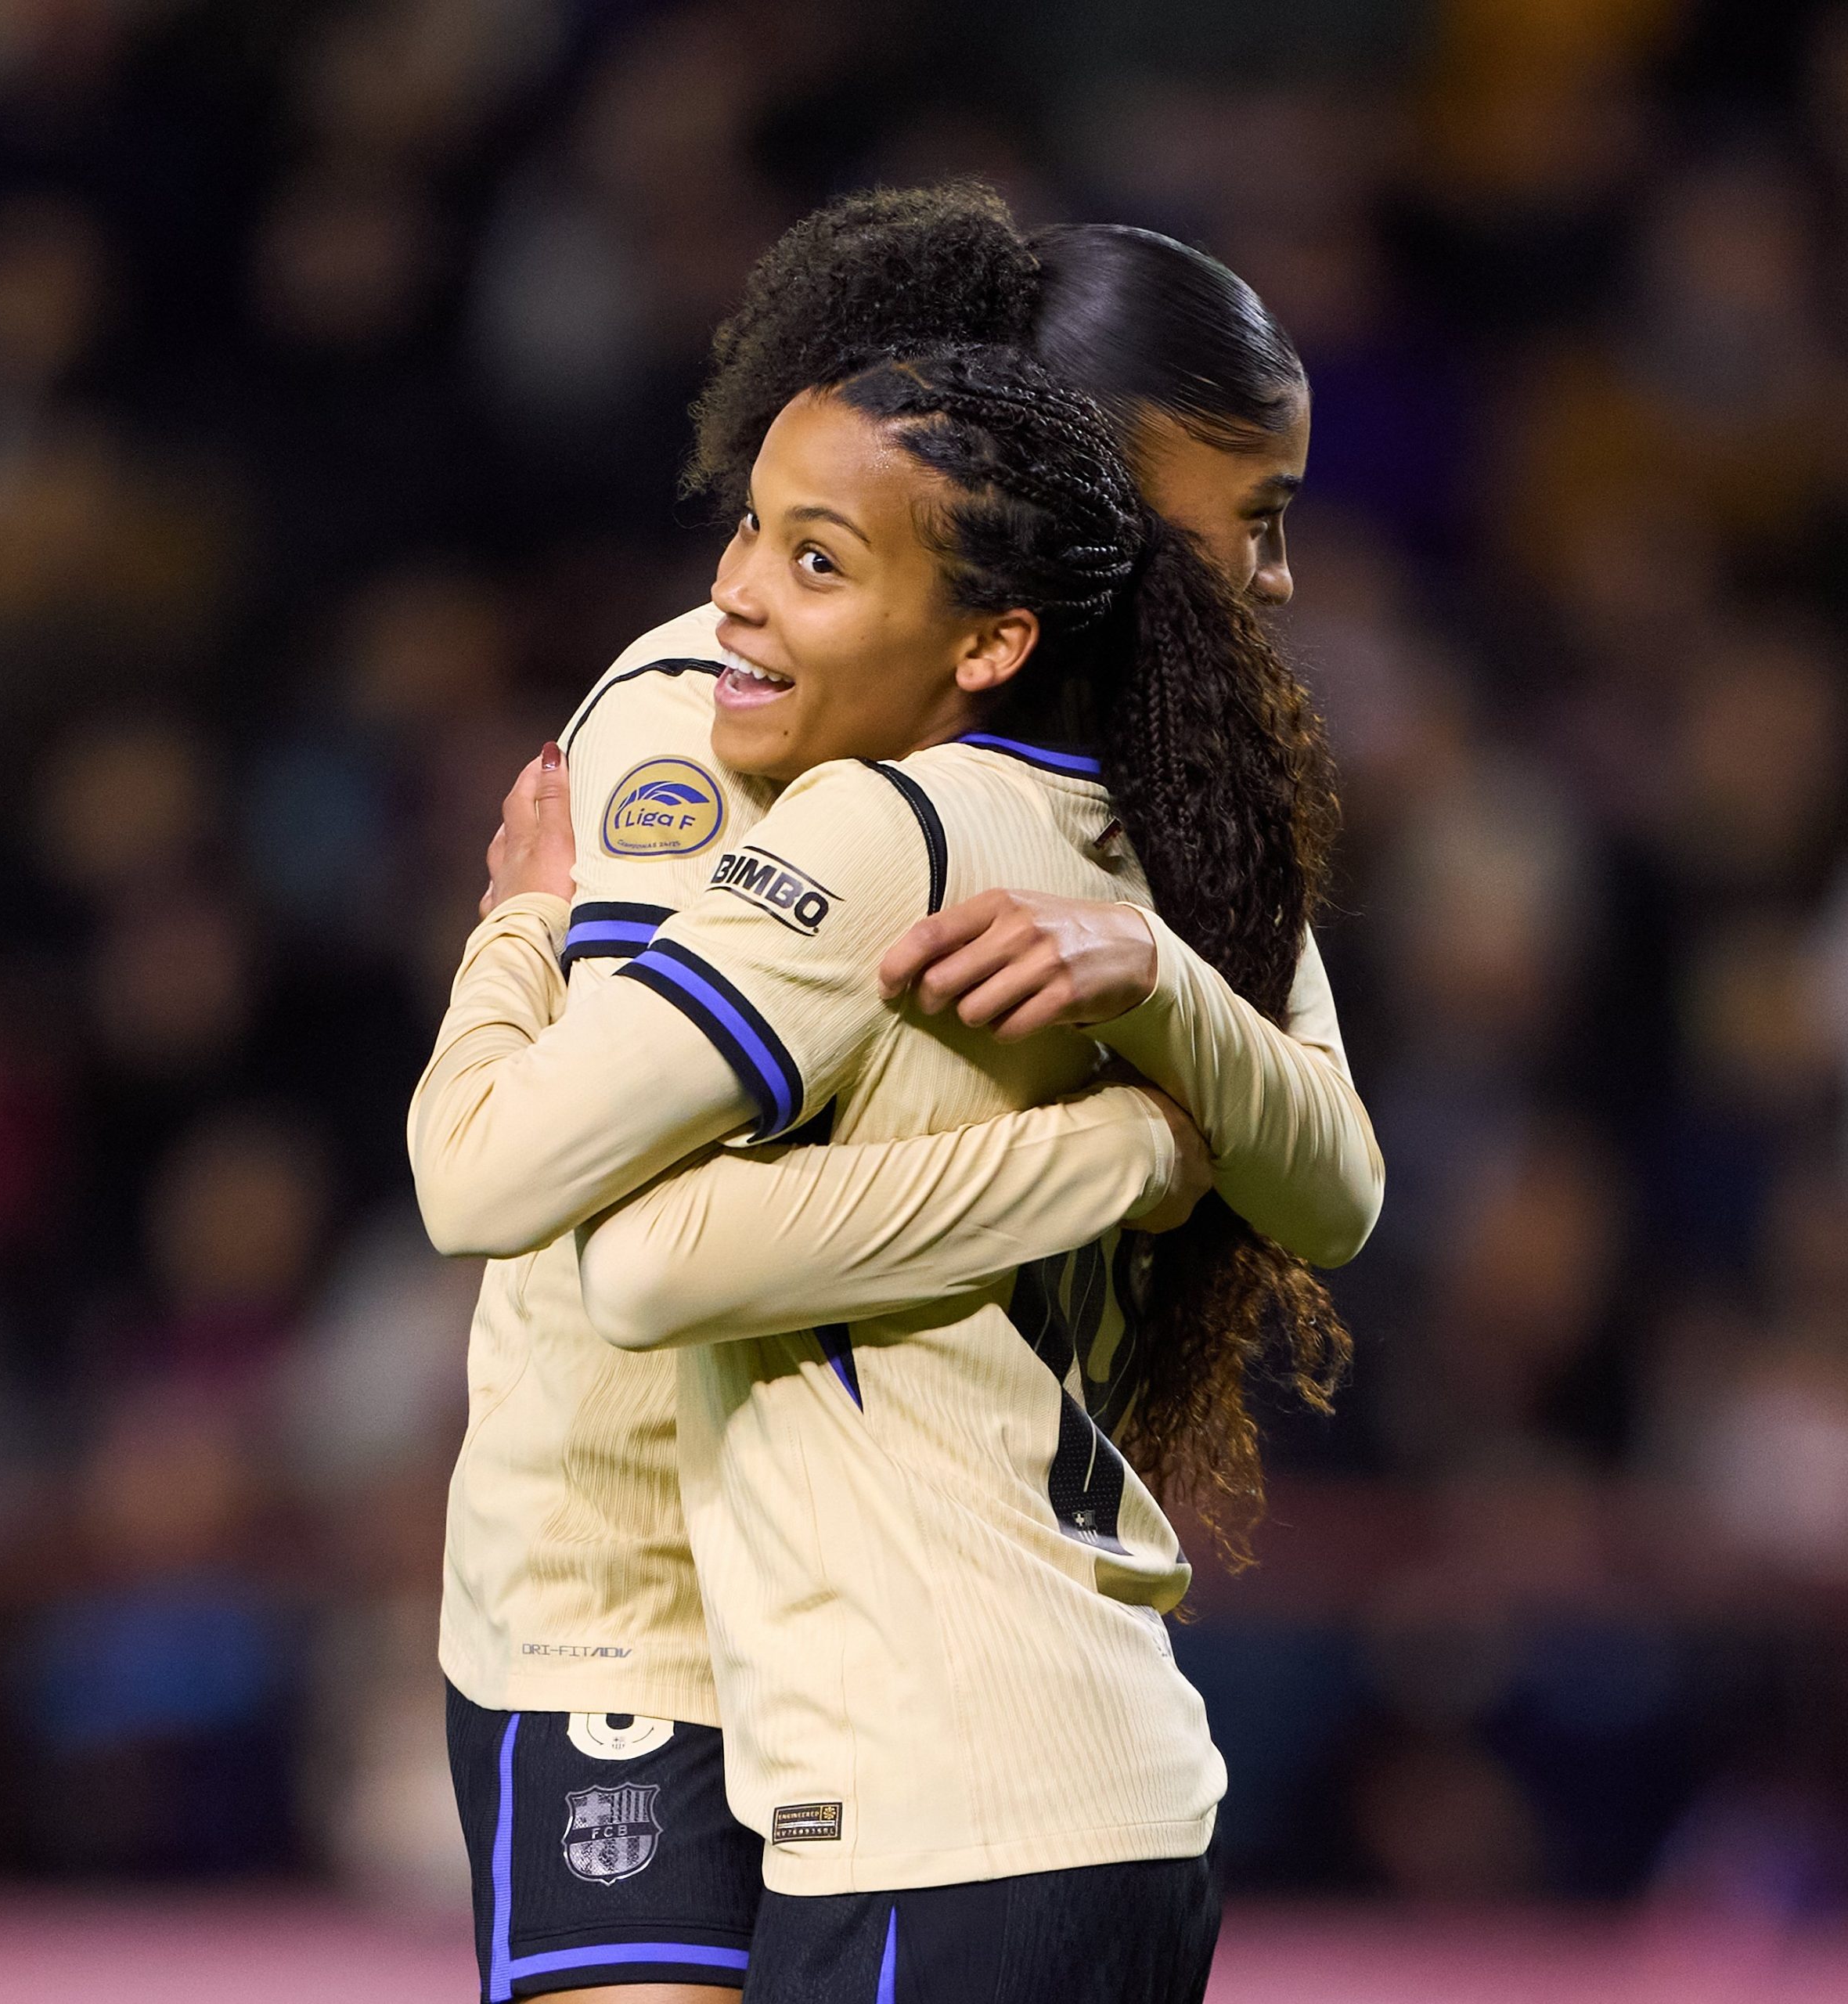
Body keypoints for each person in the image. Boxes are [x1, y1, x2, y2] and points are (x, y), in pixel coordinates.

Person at [414, 186, 1379, 2004]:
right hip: (633, 1605)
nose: (1273, 575)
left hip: (897, 1655)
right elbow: (610, 1221)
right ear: (1082, 474)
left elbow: (1326, 1164)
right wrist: (1117, 1148)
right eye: (1248, 510)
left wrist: (1162, 993)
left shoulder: (1161, 783)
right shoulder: (712, 705)